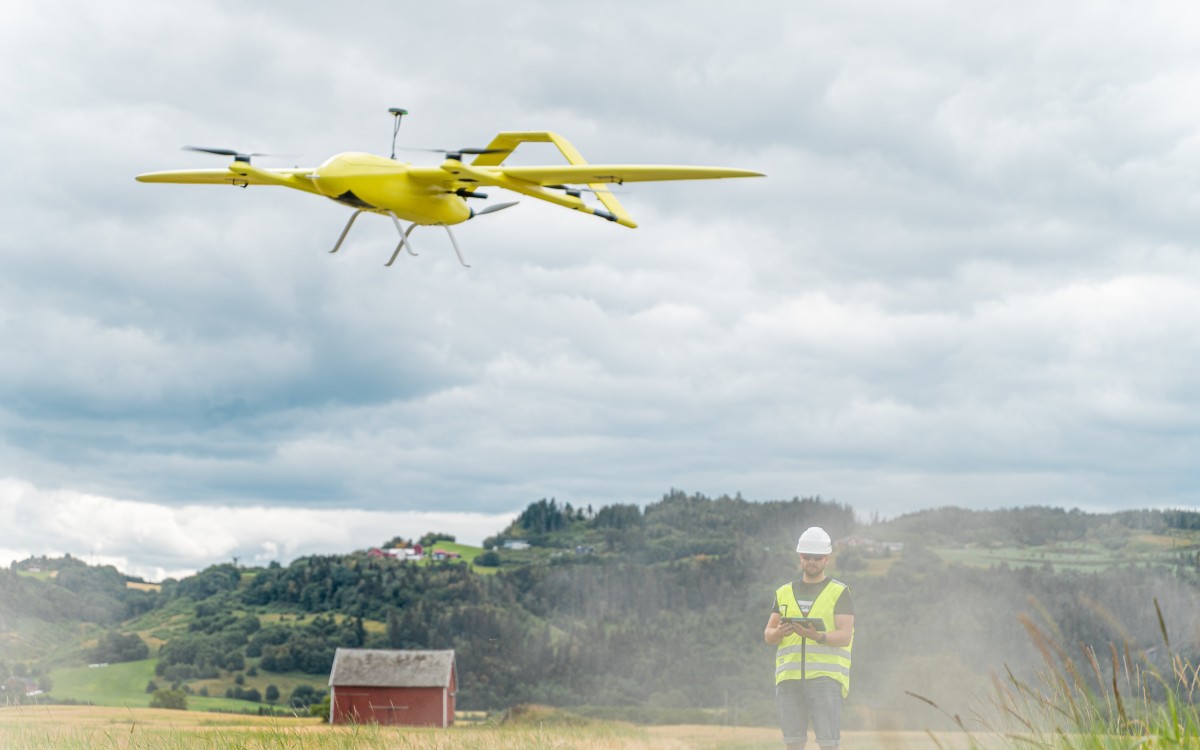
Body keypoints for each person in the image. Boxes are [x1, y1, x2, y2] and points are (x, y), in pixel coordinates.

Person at [764, 527, 855, 750]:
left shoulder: (839, 592)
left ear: (826, 559)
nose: (811, 562)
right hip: (789, 679)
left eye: (817, 558)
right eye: (807, 557)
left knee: (828, 744)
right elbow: (768, 634)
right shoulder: (783, 592)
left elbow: (844, 635)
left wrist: (818, 636)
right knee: (793, 744)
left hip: (825, 678)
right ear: (800, 557)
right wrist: (779, 633)